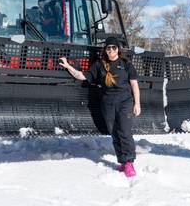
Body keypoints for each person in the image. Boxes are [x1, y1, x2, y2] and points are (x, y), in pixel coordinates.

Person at [59, 36, 141, 178]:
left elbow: (134, 85)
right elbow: (82, 76)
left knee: (125, 131)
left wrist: (137, 103)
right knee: (114, 133)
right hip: (107, 104)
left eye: (113, 48)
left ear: (118, 49)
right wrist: (68, 66)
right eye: (108, 48)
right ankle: (122, 161)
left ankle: (129, 163)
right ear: (105, 49)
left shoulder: (126, 64)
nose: (110, 50)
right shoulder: (99, 65)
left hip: (125, 103)